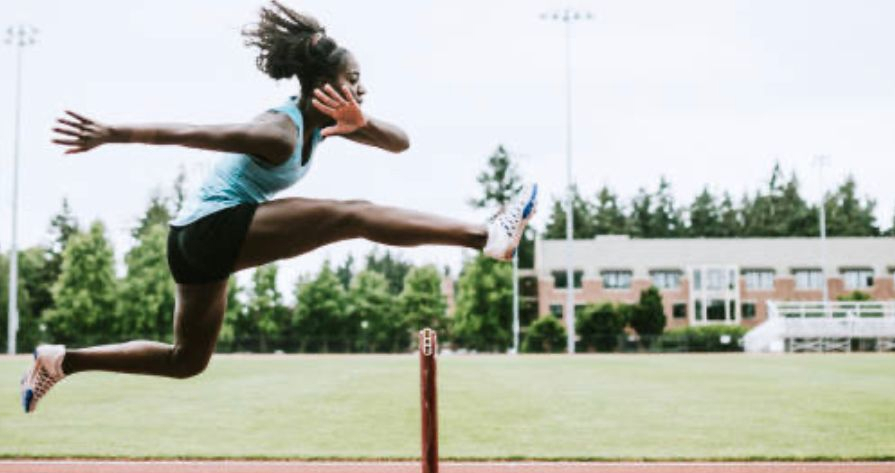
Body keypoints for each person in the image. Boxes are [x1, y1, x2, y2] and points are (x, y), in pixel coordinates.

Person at [21, 1, 537, 413]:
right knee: (350, 214)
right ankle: (485, 236)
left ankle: (60, 361)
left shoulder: (326, 125)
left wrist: (362, 123)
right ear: (322, 84)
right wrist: (113, 132)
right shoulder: (282, 130)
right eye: (354, 78)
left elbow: (400, 143)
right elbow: (196, 132)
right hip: (209, 229)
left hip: (194, 244)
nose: (362, 88)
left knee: (186, 361)